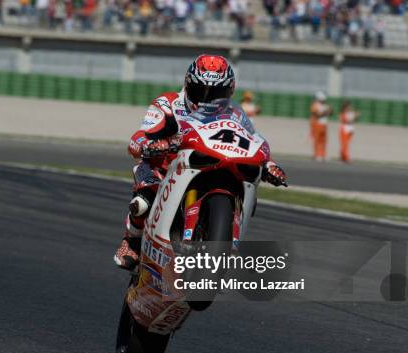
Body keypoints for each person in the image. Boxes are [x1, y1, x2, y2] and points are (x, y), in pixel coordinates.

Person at [114, 54, 287, 270]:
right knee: (143, 200)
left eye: (216, 93)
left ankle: (225, 243)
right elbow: (140, 136)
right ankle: (131, 241)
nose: (207, 98)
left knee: (245, 184)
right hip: (164, 167)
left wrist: (268, 164)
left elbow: (251, 140)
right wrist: (149, 145)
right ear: (188, 85)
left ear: (229, 91)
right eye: (200, 90)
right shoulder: (167, 104)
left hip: (211, 165)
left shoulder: (235, 114)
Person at [310, 91, 332, 162]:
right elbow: (317, 114)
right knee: (317, 140)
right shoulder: (315, 105)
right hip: (317, 124)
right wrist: (326, 112)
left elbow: (330, 113)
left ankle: (323, 155)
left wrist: (330, 110)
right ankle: (317, 155)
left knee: (324, 141)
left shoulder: (325, 105)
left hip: (324, 124)